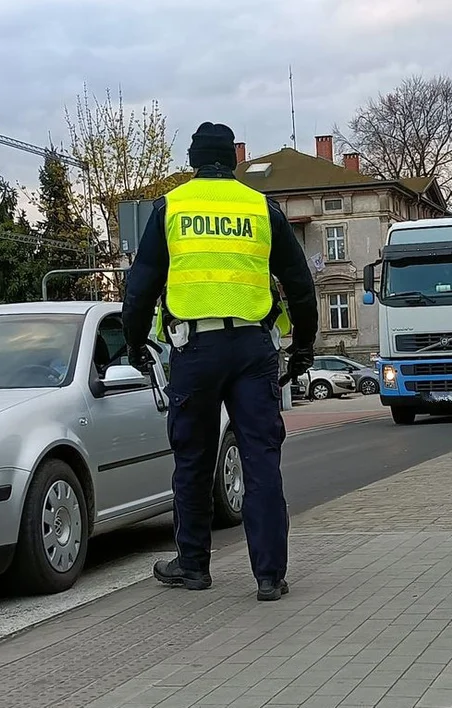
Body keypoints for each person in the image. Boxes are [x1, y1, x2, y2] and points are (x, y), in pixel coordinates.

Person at [121, 122, 318, 602]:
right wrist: (304, 346)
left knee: (193, 457)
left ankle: (193, 566)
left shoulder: (172, 206)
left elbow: (142, 282)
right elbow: (298, 281)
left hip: (195, 348)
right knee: (260, 460)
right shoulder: (260, 207)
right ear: (231, 159)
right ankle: (269, 575)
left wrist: (133, 342)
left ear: (193, 159)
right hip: (254, 348)